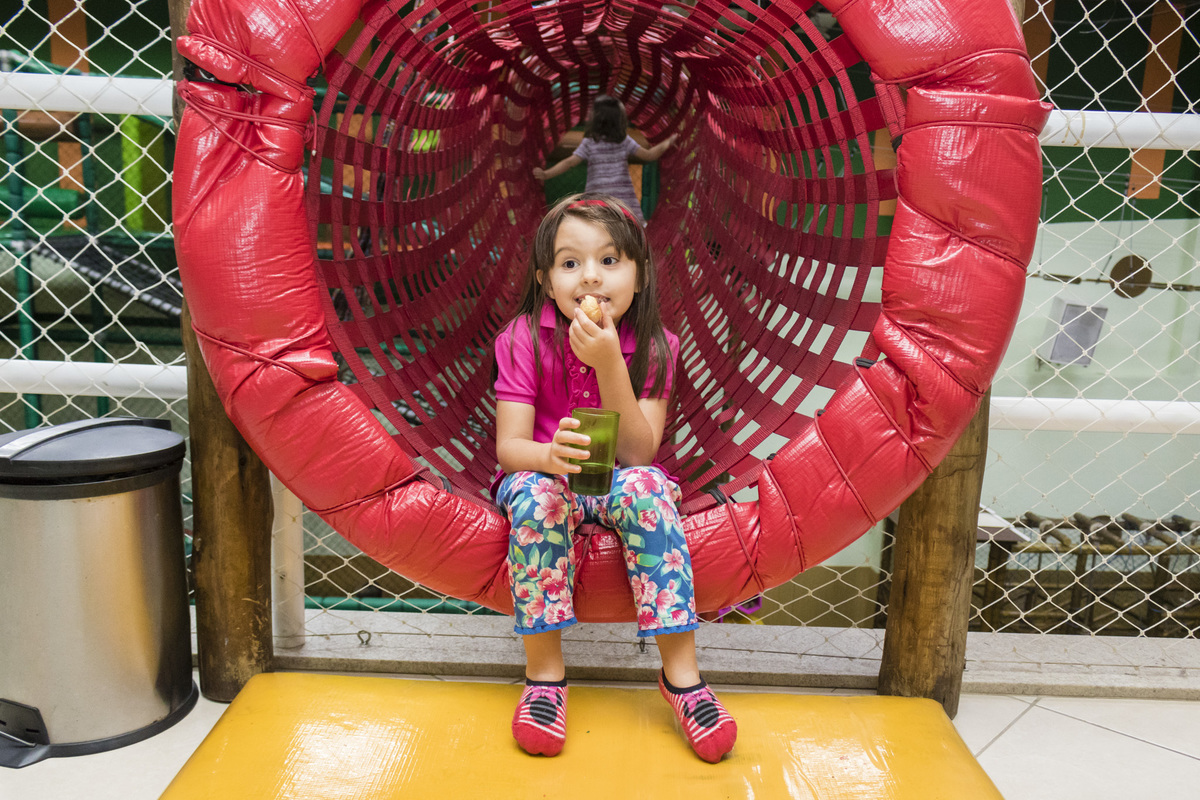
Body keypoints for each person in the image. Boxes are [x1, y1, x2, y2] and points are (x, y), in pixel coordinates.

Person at [491, 192, 737, 763]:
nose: (591, 278)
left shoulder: (655, 345)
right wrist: (549, 457)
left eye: (609, 260)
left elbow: (640, 450)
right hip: (546, 477)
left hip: (622, 479)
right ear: (545, 281)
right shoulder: (522, 338)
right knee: (535, 501)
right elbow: (510, 448)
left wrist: (607, 361)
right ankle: (545, 679)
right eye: (570, 263)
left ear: (639, 274)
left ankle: (682, 677)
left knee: (650, 491)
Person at [532, 95, 679, 225]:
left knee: (598, 229)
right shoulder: (623, 142)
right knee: (625, 232)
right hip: (622, 204)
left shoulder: (590, 143)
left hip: (597, 203)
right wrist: (668, 141)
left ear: (596, 121)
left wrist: (546, 174)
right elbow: (650, 155)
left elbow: (569, 162)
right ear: (619, 121)